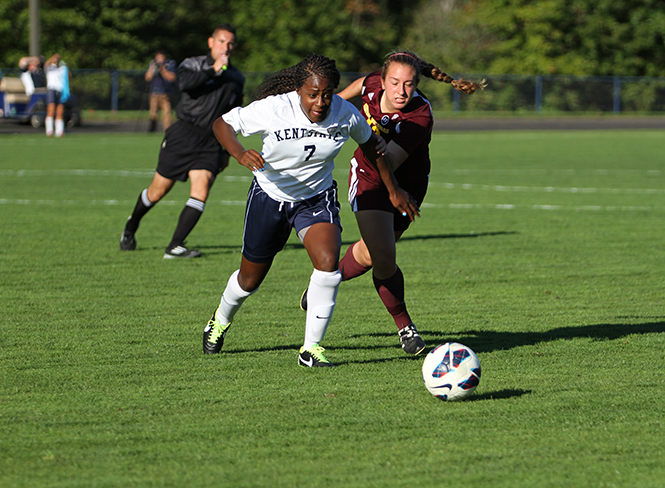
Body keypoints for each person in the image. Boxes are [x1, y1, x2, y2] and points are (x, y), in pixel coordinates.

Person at [202, 53, 418, 367]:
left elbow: (373, 147)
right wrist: (239, 152)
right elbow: (222, 124)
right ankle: (219, 321)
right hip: (269, 196)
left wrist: (394, 189)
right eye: (312, 94)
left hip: (316, 198)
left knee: (328, 263)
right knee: (249, 280)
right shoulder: (275, 108)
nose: (320, 102)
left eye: (327, 94)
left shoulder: (345, 113)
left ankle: (311, 349)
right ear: (298, 90)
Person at [301, 50, 485, 355]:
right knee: (385, 255)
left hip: (407, 186)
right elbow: (342, 102)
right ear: (383, 80)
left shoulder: (420, 115)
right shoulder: (371, 84)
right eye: (395, 82)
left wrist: (360, 132)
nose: (401, 91)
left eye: (409, 84)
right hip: (369, 178)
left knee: (370, 254)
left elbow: (390, 158)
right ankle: (406, 328)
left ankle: (325, 281)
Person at [120, 24, 245, 258]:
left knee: (202, 188)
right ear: (211, 42)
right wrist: (213, 71)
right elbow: (184, 85)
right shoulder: (193, 64)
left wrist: (228, 150)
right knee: (157, 191)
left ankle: (175, 246)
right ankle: (131, 225)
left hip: (210, 141)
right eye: (221, 41)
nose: (225, 47)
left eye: (230, 44)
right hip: (183, 134)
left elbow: (232, 116)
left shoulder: (236, 77)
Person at [144, 51, 176, 132]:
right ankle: (152, 129)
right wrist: (152, 67)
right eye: (157, 58)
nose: (159, 60)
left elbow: (171, 78)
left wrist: (162, 69)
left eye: (161, 58)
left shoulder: (169, 64)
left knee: (166, 114)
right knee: (153, 114)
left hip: (165, 93)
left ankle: (167, 130)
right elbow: (148, 78)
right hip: (154, 93)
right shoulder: (153, 65)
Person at [44, 53, 70, 137]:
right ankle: (49, 130)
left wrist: (67, 67)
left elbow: (68, 76)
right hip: (52, 89)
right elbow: (46, 64)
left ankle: (59, 131)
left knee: (60, 111)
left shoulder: (61, 68)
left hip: (60, 90)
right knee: (51, 110)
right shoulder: (49, 67)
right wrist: (53, 57)